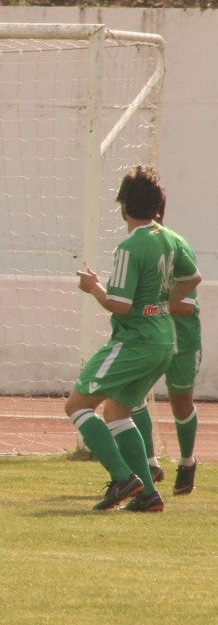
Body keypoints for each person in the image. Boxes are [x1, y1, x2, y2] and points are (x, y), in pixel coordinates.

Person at [63, 165, 201, 513]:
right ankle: (148, 494)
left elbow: (121, 305)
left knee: (78, 405)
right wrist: (165, 303)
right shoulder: (173, 239)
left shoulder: (130, 246)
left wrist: (94, 288)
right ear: (158, 205)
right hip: (162, 341)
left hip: (134, 340)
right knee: (118, 410)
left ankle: (123, 477)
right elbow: (193, 277)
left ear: (124, 206)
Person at [128, 201, 202, 496]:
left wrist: (153, 304)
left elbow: (187, 305)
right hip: (149, 338)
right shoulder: (138, 250)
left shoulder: (177, 247)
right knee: (130, 395)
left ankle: (187, 462)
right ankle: (149, 463)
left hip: (182, 340)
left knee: (180, 401)